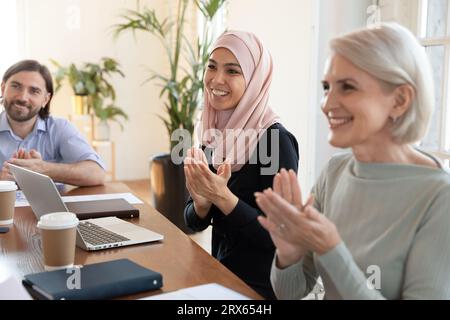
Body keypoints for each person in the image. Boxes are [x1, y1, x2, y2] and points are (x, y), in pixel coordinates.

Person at [255, 22, 450, 299]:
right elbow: (291, 292)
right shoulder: (335, 171)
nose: (327, 103)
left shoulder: (440, 197)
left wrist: (332, 249)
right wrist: (289, 254)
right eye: (327, 87)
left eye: (347, 87)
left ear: (400, 100)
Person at [183, 31, 299, 299]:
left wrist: (223, 198)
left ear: (255, 80)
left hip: (260, 289)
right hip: (220, 275)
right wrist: (201, 205)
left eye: (232, 71)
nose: (217, 79)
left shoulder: (275, 140)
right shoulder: (213, 133)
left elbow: (281, 236)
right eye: (212, 66)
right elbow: (193, 221)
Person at [0, 60, 105, 186]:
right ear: (3, 88)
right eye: (16, 86)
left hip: (50, 206)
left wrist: (42, 169)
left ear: (45, 99)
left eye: (34, 91)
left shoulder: (60, 128)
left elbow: (96, 173)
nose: (22, 97)